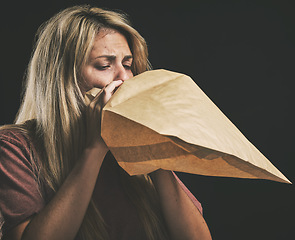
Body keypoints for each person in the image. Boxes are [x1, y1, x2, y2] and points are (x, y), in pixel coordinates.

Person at [0, 5, 212, 240]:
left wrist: (154, 154)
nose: (124, 78)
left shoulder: (131, 148)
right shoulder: (14, 146)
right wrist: (95, 148)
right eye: (104, 65)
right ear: (63, 78)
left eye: (128, 65)